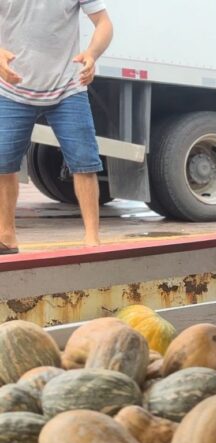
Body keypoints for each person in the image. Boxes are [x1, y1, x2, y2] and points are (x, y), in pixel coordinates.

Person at [0, 0, 114, 254]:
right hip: (12, 91)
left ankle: (92, 240)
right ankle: (6, 237)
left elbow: (104, 23)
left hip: (68, 88)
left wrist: (91, 54)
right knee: (3, 163)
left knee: (85, 163)